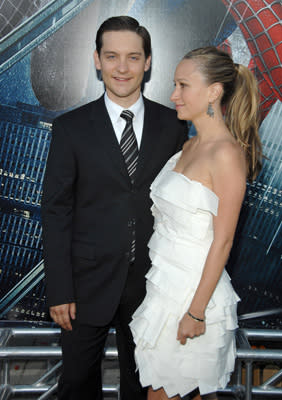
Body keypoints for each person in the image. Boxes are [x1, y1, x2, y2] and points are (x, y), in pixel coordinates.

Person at [41, 15, 187, 400]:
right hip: (83, 286)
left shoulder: (173, 126)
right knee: (75, 386)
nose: (122, 68)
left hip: (152, 287)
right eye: (112, 57)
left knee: (142, 388)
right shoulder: (70, 128)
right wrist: (59, 289)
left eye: (133, 57)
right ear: (96, 60)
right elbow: (56, 212)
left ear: (149, 62)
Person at [130, 46, 262, 400]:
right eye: (175, 84)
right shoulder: (186, 148)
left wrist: (197, 312)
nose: (174, 94)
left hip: (194, 297)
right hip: (164, 291)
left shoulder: (227, 153)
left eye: (183, 85)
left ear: (213, 91)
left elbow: (223, 241)